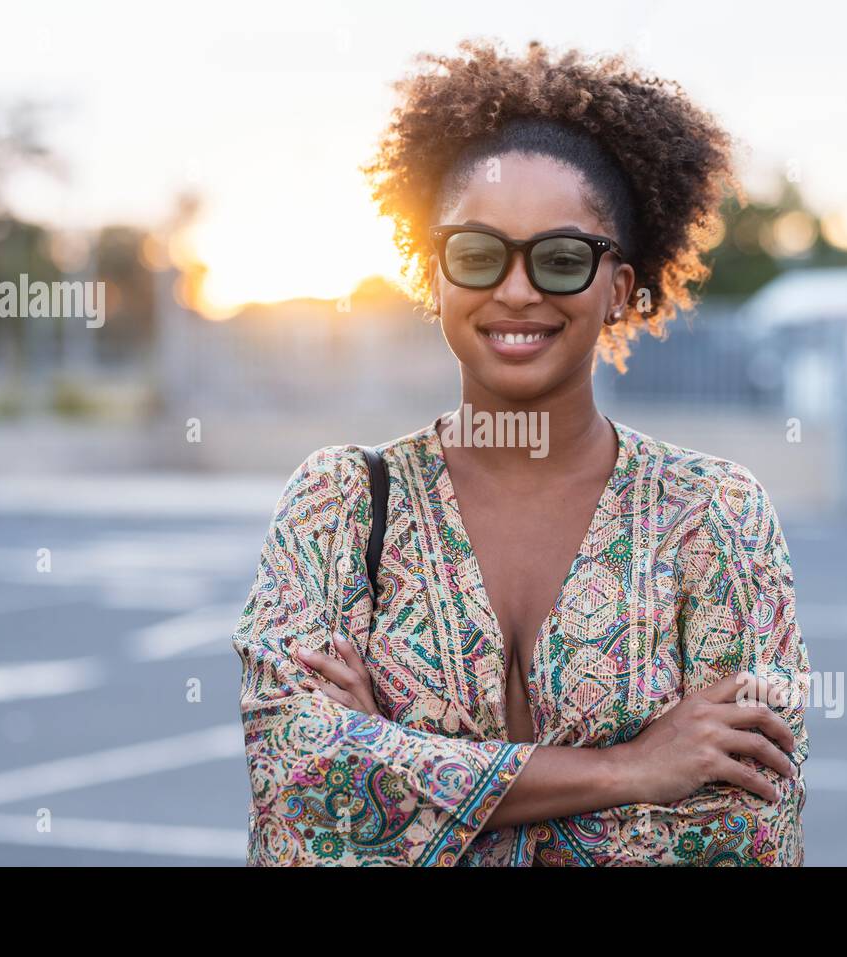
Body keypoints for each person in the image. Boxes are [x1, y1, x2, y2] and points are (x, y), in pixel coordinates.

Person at [232, 39, 811, 866]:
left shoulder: (713, 514)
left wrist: (395, 770)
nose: (515, 289)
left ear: (620, 287)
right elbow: (299, 791)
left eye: (562, 257)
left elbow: (745, 833)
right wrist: (633, 767)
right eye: (476, 252)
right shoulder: (339, 503)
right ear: (434, 274)